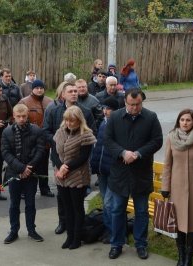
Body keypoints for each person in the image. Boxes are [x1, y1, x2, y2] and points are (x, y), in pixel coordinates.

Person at [104, 88, 163, 260]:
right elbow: (108, 140)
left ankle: (141, 244)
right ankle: (117, 243)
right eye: (131, 105)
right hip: (120, 173)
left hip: (141, 173)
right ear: (125, 102)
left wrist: (138, 154)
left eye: (138, 104)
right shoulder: (115, 117)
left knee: (141, 211)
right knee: (117, 210)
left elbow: (157, 141)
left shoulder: (151, 117)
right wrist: (123, 153)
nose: (135, 108)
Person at [42, 82, 97, 235]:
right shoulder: (53, 111)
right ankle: (63, 222)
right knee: (62, 196)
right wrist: (57, 142)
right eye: (71, 91)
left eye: (76, 91)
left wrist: (78, 145)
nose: (74, 93)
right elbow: (45, 130)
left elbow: (93, 131)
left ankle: (76, 228)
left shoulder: (85, 111)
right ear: (63, 94)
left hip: (78, 161)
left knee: (77, 197)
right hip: (59, 158)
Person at [161, 108, 193, 266]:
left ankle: (189, 257)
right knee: (178, 222)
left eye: (188, 120)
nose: (185, 123)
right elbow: (168, 164)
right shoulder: (172, 137)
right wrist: (165, 186)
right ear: (178, 121)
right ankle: (181, 255)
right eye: (182, 120)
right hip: (176, 187)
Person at [52, 105, 97, 249]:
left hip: (78, 177)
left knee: (77, 208)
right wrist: (60, 166)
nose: (69, 124)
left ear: (79, 121)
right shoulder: (60, 132)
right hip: (61, 176)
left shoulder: (86, 135)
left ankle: (77, 238)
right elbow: (54, 152)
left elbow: (84, 157)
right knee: (67, 208)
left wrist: (67, 167)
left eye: (72, 121)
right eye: (67, 120)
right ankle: (69, 236)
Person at [1, 104, 45, 244]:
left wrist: (29, 169)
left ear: (28, 116)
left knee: (30, 204)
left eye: (24, 116)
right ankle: (14, 231)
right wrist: (21, 169)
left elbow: (40, 151)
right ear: (13, 116)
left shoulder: (36, 130)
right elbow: (6, 153)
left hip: (31, 173)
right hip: (15, 173)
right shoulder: (7, 132)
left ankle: (31, 230)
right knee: (14, 204)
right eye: (18, 116)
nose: (21, 119)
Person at [90, 96, 119, 244]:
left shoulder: (118, 125)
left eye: (109, 109)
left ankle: (114, 230)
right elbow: (99, 147)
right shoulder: (102, 123)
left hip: (113, 170)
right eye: (104, 108)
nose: (105, 111)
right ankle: (108, 229)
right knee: (104, 200)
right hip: (101, 169)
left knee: (109, 203)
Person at [19, 79, 54, 197]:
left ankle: (44, 188)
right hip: (30, 139)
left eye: (41, 88)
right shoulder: (24, 102)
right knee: (29, 164)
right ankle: (24, 189)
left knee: (44, 166)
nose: (39, 90)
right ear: (32, 89)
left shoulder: (50, 101)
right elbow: (19, 120)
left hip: (45, 140)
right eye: (37, 88)